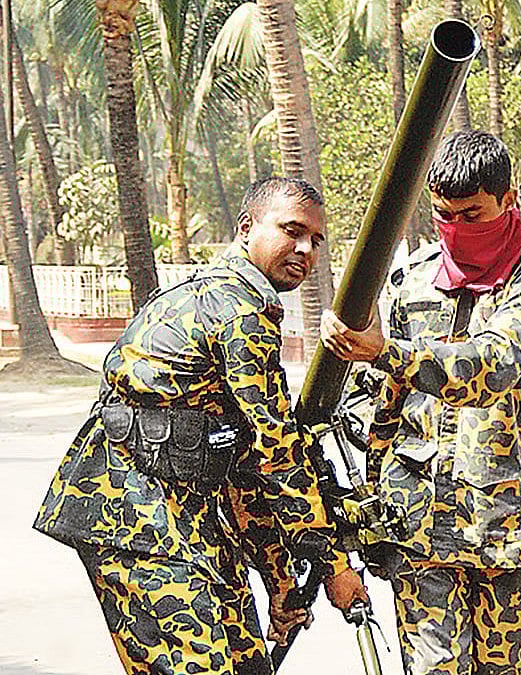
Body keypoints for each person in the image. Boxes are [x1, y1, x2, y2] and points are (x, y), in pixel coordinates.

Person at [34, 176, 367, 675]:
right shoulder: (237, 309)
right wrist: (333, 564)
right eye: (292, 230)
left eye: (316, 240)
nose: (305, 248)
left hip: (193, 516)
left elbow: (244, 461)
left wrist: (280, 585)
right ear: (246, 227)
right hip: (132, 519)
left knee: (247, 664)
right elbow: (278, 452)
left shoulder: (232, 300)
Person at [320, 129, 521, 675]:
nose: (457, 229)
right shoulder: (412, 281)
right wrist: (377, 483)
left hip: (503, 530)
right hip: (419, 529)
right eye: (443, 215)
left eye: (472, 214)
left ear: (509, 199)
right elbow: (373, 399)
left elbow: (491, 366)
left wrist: (386, 352)